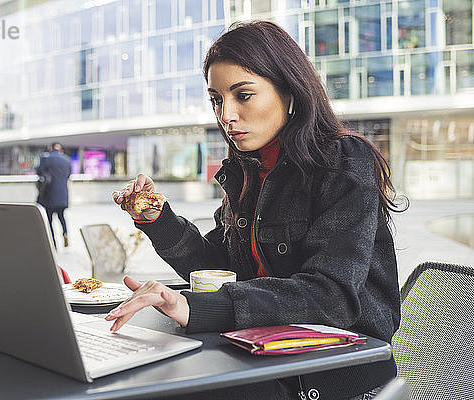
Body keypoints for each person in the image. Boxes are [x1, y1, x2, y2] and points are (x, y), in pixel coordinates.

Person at [109, 20, 406, 400]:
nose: (225, 115)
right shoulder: (246, 169)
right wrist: (159, 221)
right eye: (216, 99)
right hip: (259, 355)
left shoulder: (343, 161)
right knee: (143, 379)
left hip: (330, 373)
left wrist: (199, 307)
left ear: (290, 91)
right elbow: (217, 267)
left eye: (243, 95)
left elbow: (331, 297)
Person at [36, 143, 71, 248]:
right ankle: (65, 234)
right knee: (62, 217)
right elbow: (69, 174)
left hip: (50, 194)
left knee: (50, 219)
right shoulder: (66, 159)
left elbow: (39, 171)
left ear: (50, 148)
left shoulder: (46, 158)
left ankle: (53, 242)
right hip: (63, 195)